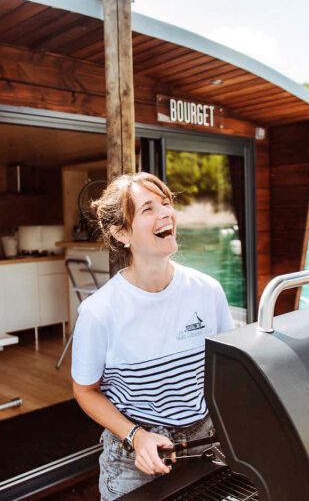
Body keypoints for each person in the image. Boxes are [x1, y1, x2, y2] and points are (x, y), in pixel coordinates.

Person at [71, 172, 235, 500]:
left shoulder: (207, 291)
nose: (166, 213)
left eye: (166, 203)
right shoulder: (99, 312)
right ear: (121, 233)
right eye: (148, 209)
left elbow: (228, 367)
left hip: (205, 439)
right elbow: (85, 390)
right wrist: (135, 435)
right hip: (134, 454)